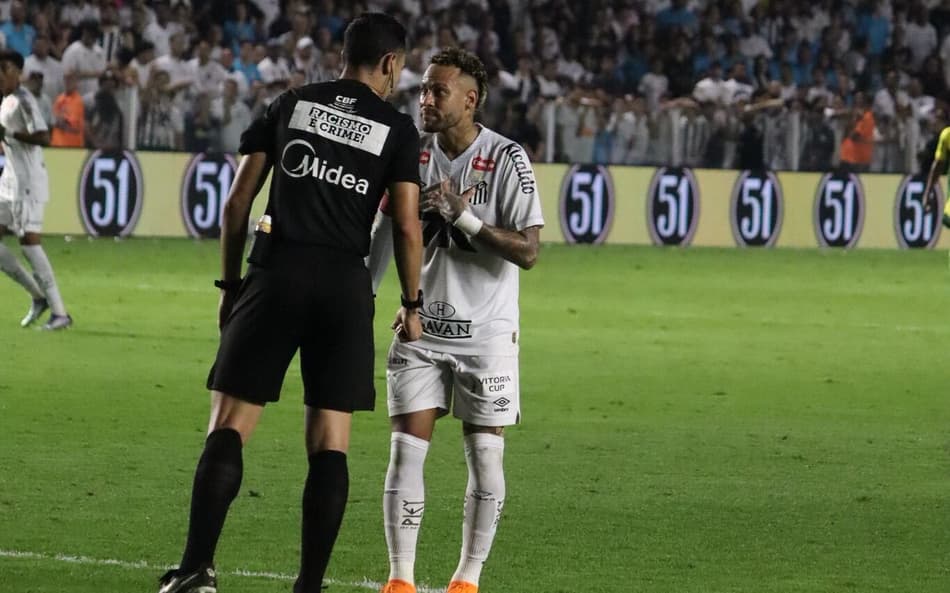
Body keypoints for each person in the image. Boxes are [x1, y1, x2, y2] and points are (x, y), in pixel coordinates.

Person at [157, 13, 424, 593]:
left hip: (277, 273)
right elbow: (406, 226)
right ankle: (308, 585)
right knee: (330, 439)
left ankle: (197, 569)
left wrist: (231, 289)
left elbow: (236, 205)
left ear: (343, 56)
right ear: (389, 64)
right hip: (344, 288)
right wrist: (412, 301)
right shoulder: (398, 129)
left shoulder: (292, 103)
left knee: (229, 423)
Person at [367, 47, 544, 593]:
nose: (425, 99)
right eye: (422, 89)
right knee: (404, 450)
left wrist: (462, 215)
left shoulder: (508, 158)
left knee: (485, 458)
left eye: (437, 91)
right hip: (418, 329)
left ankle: (466, 580)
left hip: (486, 336)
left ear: (470, 100)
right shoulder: (407, 153)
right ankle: (400, 580)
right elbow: (382, 233)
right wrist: (364, 299)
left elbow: (529, 251)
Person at [0, 50, 71, 330]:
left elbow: (44, 137)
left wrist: (9, 135)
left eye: (4, 69)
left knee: (30, 244)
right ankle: (37, 297)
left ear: (18, 72)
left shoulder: (25, 101)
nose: (0, 75)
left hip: (28, 182)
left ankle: (60, 313)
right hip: (9, 181)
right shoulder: (6, 101)